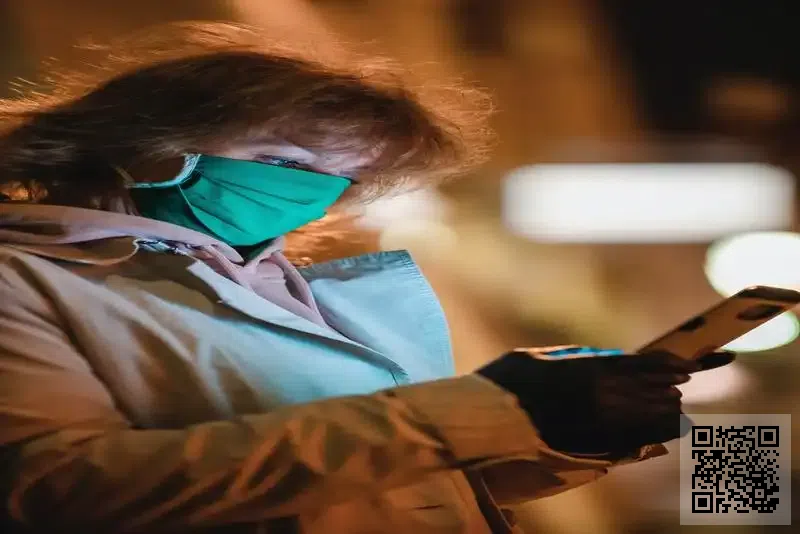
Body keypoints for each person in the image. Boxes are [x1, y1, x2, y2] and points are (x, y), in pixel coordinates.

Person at [0, 22, 734, 534]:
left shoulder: (291, 288)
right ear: (146, 142)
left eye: (343, 178)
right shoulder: (25, 279)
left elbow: (380, 486)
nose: (315, 194)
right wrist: (471, 410)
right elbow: (56, 493)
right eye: (285, 161)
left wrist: (566, 429)